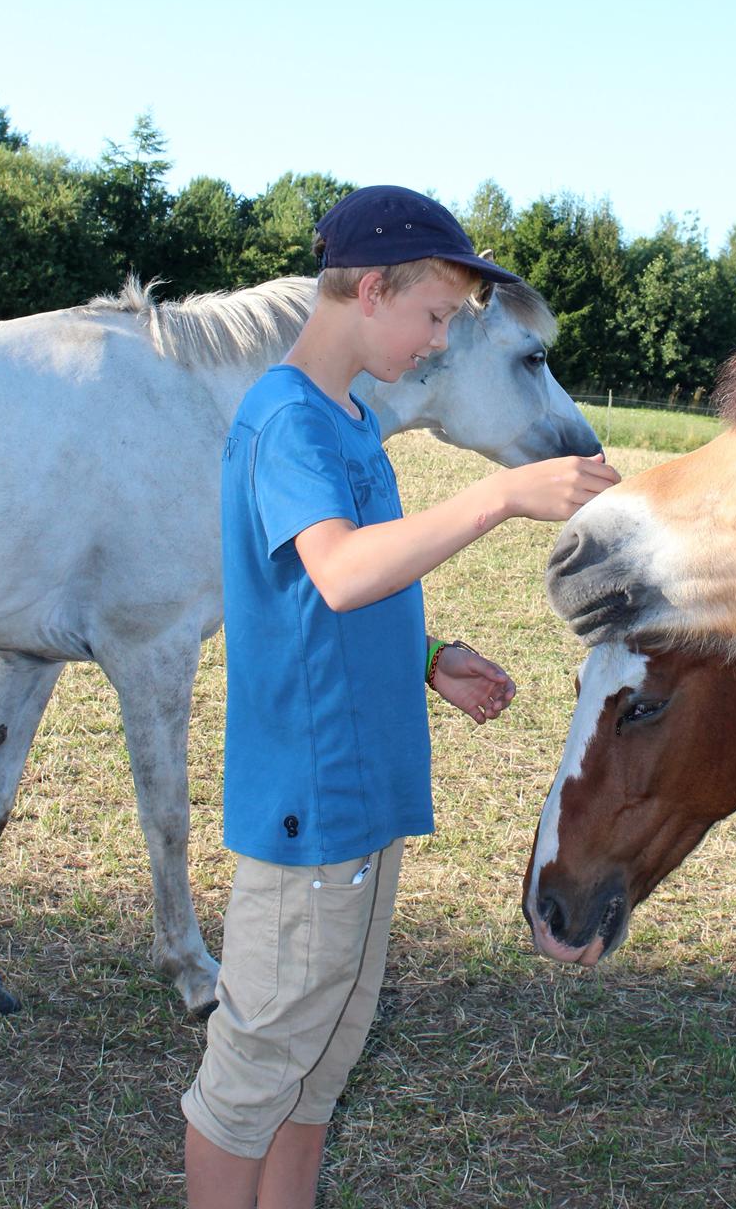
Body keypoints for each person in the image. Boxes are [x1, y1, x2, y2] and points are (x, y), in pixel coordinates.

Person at [182, 185, 619, 1209]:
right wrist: (499, 493)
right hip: (311, 804)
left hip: (365, 794)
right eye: (431, 316)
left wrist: (424, 653)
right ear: (370, 288)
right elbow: (335, 569)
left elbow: (322, 592)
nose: (433, 343)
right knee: (251, 1075)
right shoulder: (285, 415)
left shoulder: (346, 421)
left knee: (317, 1064)